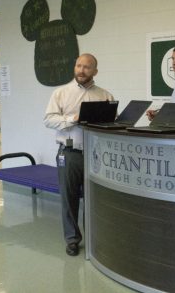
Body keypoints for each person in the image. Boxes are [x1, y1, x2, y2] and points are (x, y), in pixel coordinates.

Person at [44, 53, 114, 256]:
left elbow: (110, 124)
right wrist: (73, 118)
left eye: (87, 67)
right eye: (79, 66)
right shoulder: (61, 93)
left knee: (95, 198)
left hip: (95, 155)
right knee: (69, 198)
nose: (81, 70)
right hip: (69, 153)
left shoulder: (105, 95)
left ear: (95, 71)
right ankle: (72, 239)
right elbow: (49, 120)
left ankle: (95, 238)